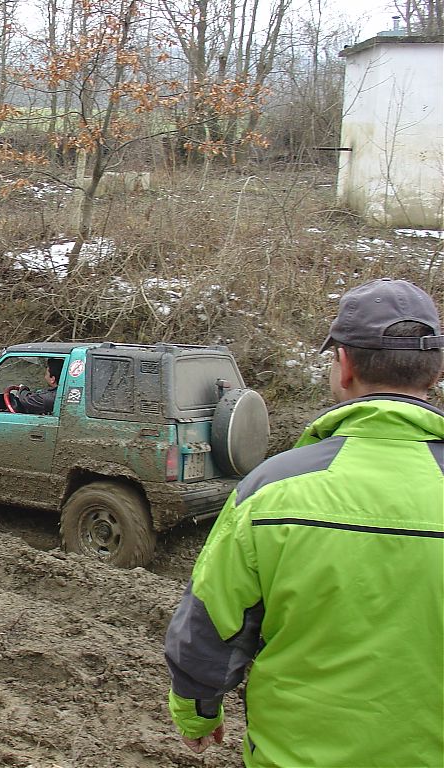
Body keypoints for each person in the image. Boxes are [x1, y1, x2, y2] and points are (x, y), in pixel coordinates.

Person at [164, 278, 444, 767]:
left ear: (344, 365)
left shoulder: (271, 489)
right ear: (436, 371)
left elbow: (209, 626)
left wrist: (197, 716)